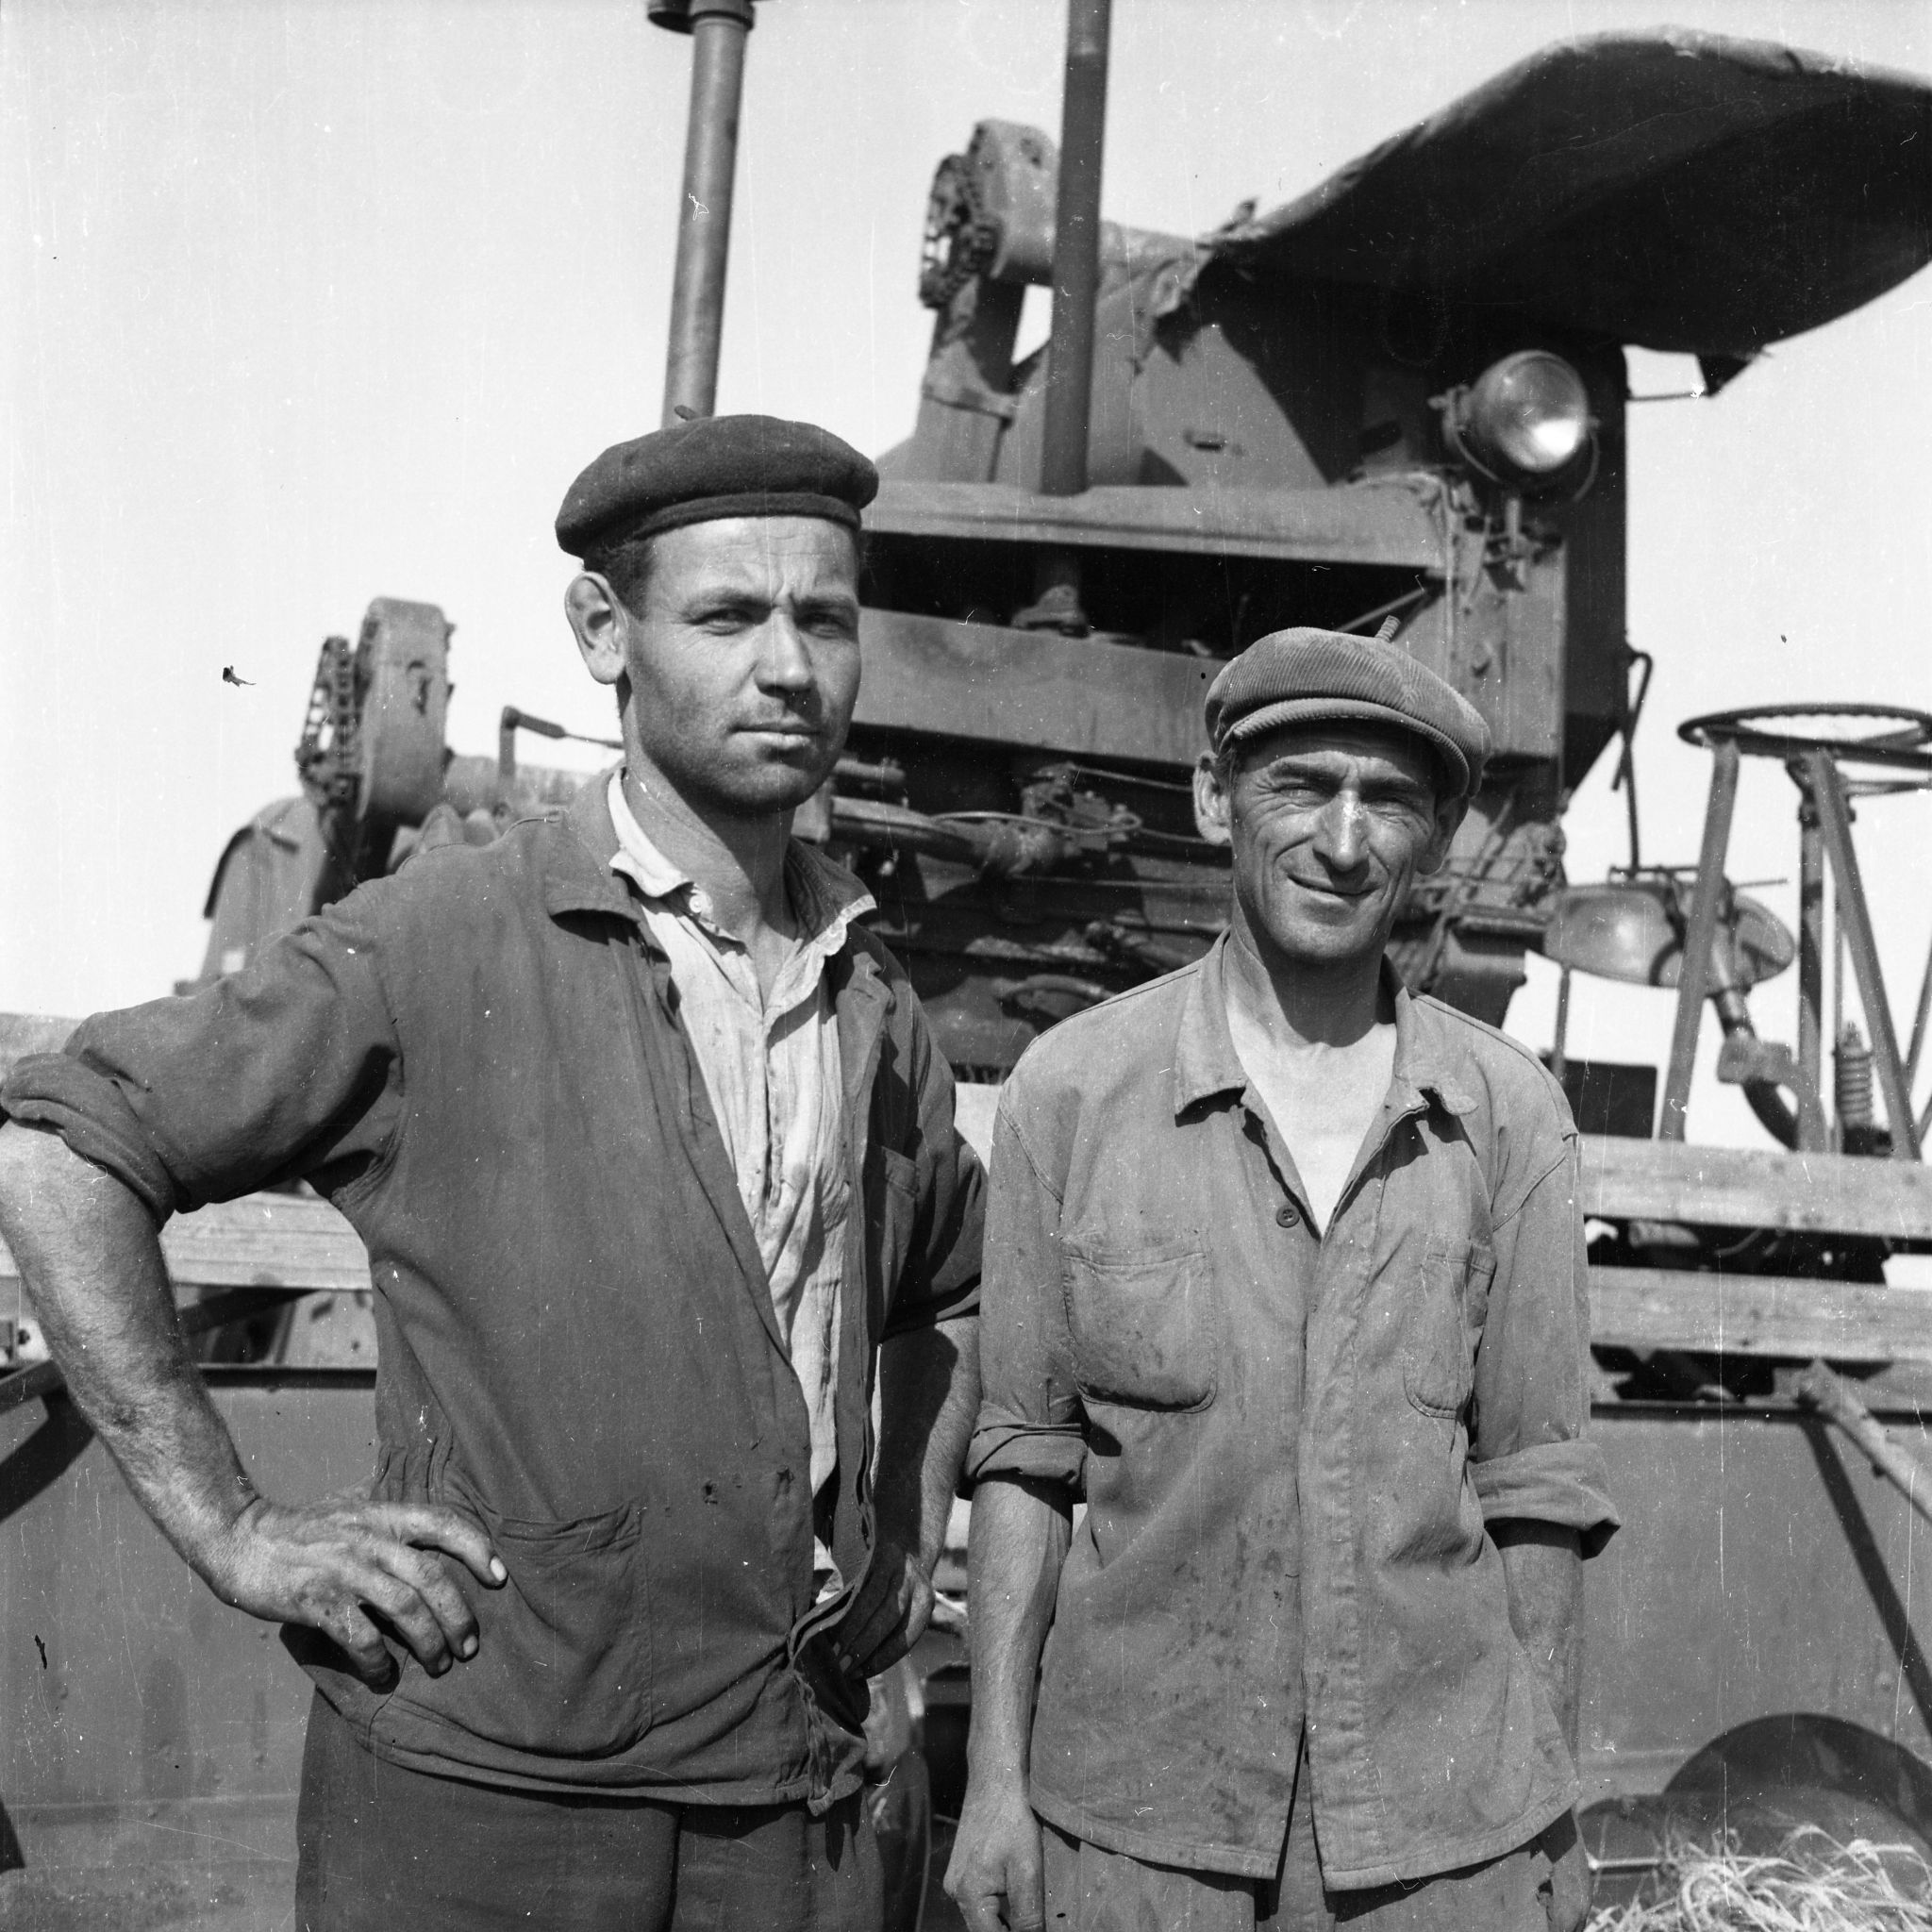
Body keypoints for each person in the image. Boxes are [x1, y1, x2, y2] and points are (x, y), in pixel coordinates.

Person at [0, 413, 984, 1931]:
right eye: (728, 616)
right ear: (602, 631)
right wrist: (238, 1531)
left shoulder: (870, 997)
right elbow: (64, 1152)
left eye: (826, 618)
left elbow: (947, 1292)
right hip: (488, 1798)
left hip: (794, 1794)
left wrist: (907, 1524)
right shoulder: (438, 941)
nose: (789, 666)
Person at [946, 627, 1619, 1932]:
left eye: (1390, 802)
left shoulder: (1507, 1117)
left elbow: (1537, 1487)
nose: (1344, 842)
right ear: (1216, 798)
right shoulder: (1072, 1094)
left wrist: (1547, 1814)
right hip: (1139, 1834)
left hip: (1437, 1845)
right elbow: (1023, 1458)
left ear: (1434, 841)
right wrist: (993, 1787)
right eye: (1301, 787)